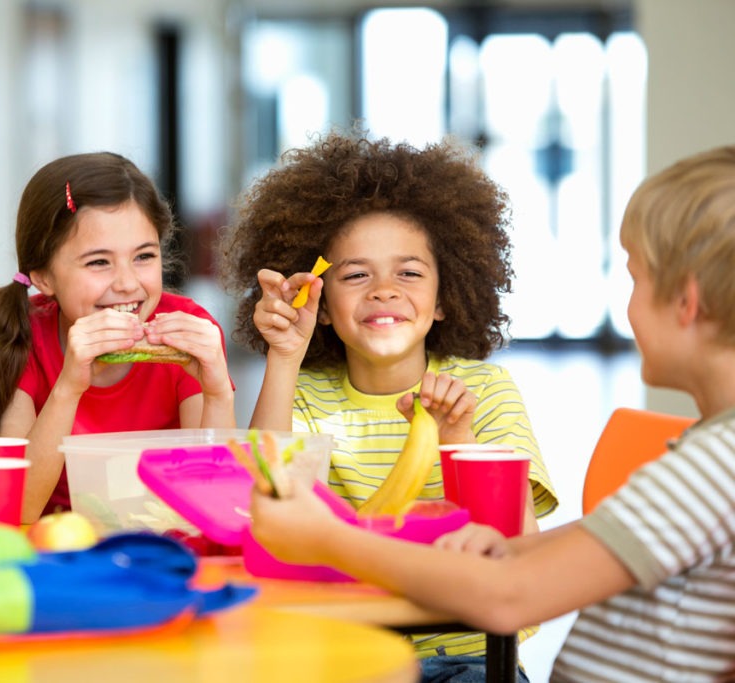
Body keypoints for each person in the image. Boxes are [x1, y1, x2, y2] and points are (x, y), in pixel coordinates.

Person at [249, 145, 735, 682]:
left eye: (635, 279)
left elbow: (508, 601)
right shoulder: (710, 454)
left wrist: (327, 537)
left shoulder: (718, 463)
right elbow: (536, 553)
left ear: (687, 303)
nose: (628, 304)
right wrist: (515, 548)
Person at [219, 130, 558, 680]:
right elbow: (258, 505)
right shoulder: (302, 392)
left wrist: (458, 438)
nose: (383, 290)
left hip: (464, 653)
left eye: (409, 272)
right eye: (355, 275)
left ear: (446, 297)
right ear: (321, 305)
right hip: (340, 651)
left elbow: (519, 548)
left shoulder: (487, 392)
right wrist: (284, 358)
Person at [0, 152, 235, 524]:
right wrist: (68, 386)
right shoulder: (24, 336)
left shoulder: (189, 331)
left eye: (144, 256)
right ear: (43, 278)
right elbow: (18, 510)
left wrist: (217, 393)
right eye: (99, 262)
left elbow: (216, 503)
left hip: (164, 543)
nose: (128, 284)